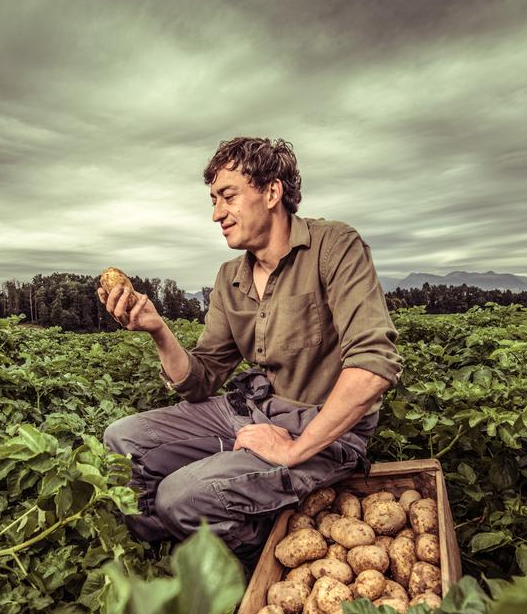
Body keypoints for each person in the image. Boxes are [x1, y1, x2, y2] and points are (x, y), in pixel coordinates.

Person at [100, 136, 402, 564]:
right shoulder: (230, 277)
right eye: (213, 200)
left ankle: (255, 553)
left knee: (179, 497)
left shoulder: (334, 246)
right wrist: (157, 329)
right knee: (122, 439)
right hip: (249, 409)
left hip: (316, 425)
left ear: (272, 191)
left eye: (228, 196)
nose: (216, 213)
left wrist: (294, 450)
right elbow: (202, 380)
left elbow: (373, 365)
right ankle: (165, 554)